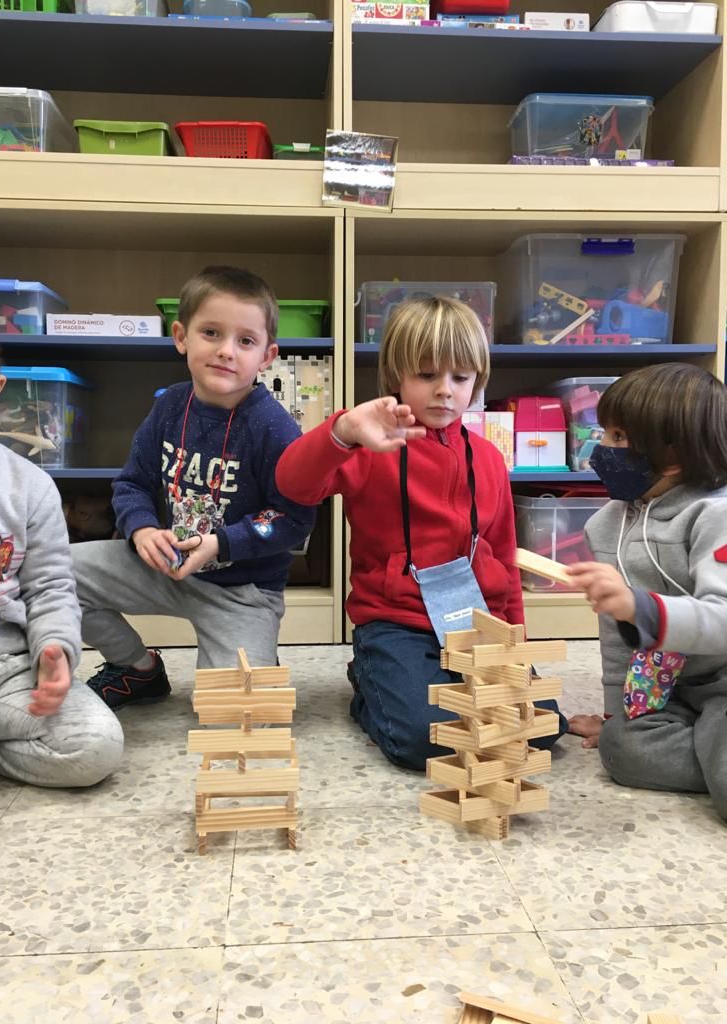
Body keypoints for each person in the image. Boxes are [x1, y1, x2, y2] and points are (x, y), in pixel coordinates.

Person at [276, 296, 566, 770]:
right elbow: (292, 483)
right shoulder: (370, 446)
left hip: (476, 622)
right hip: (397, 623)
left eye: (461, 377)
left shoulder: (489, 459)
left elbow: (504, 557)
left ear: (478, 380)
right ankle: (369, 683)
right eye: (427, 375)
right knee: (425, 739)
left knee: (542, 726)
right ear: (397, 376)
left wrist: (516, 642)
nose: (445, 391)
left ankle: (409, 685)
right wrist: (343, 430)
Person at [72, 266, 315, 710]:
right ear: (182, 337)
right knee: (53, 575)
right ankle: (137, 669)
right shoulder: (169, 406)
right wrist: (142, 530)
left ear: (267, 356)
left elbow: (293, 519)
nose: (226, 351)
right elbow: (131, 483)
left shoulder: (275, 428)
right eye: (211, 333)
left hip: (241, 592)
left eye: (245, 341)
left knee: (237, 719)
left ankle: (251, 655)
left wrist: (222, 543)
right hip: (163, 566)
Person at [0, 282, 123, 819]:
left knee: (96, 746)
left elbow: (51, 586)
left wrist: (55, 650)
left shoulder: (29, 484)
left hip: (9, 673)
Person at [566, 363, 727, 820]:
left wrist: (642, 609)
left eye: (618, 437)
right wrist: (613, 715)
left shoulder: (716, 515)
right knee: (620, 748)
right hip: (673, 689)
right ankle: (710, 747)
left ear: (672, 455)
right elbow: (616, 638)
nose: (601, 448)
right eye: (605, 432)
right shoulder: (607, 525)